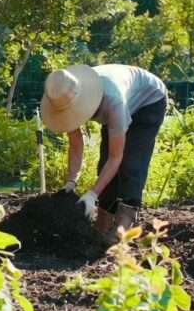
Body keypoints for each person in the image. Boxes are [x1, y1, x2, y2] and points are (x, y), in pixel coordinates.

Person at [40, 64, 168, 244]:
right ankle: (103, 219)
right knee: (103, 165)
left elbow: (116, 158)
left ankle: (124, 222)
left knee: (131, 163)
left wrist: (92, 194)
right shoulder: (63, 98)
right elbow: (76, 146)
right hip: (121, 100)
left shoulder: (113, 101)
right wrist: (70, 182)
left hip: (149, 101)